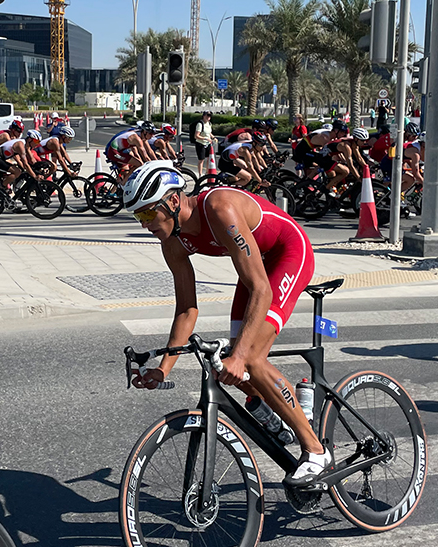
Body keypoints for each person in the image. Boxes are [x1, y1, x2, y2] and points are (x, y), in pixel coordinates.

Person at [124, 161, 329, 485]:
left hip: (287, 252)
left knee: (248, 357)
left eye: (148, 214)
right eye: (139, 217)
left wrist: (240, 354)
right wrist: (163, 369)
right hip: (256, 265)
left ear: (173, 202)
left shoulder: (219, 209)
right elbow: (187, 308)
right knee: (232, 367)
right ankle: (289, 407)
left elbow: (261, 289)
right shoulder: (172, 241)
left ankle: (316, 451)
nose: (145, 224)